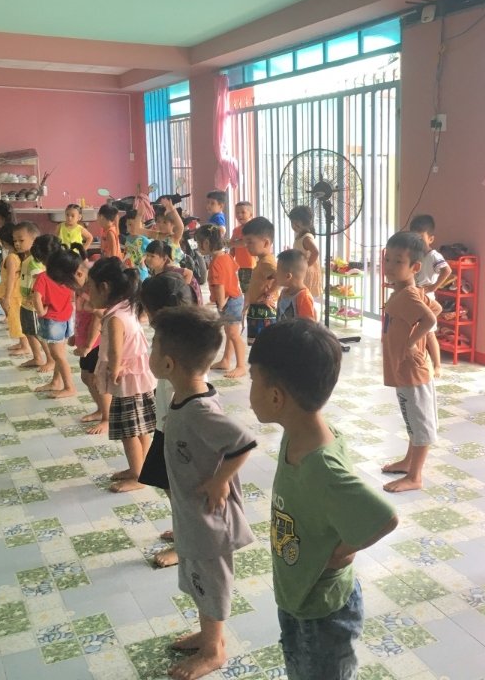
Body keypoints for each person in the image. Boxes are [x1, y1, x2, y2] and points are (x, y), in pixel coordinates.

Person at [247, 319, 398, 680]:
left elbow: (385, 517)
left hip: (324, 611)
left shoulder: (320, 465)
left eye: (252, 379)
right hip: (299, 594)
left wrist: (342, 551)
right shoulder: (298, 433)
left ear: (276, 397)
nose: (249, 389)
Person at [149, 305, 257, 678]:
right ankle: (207, 635)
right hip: (193, 514)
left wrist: (220, 480)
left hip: (210, 519)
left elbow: (244, 441)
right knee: (199, 581)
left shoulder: (199, 411)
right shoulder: (186, 397)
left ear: (168, 363)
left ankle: (214, 649)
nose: (149, 353)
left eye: (153, 347)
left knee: (211, 583)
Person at [137, 272, 196, 570]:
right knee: (171, 488)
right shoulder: (177, 335)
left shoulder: (180, 343)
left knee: (180, 491)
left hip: (178, 428)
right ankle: (183, 529)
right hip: (167, 425)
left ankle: (187, 544)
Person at [87, 257, 157, 493]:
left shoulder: (115, 318)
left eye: (90, 288)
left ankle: (138, 476)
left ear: (104, 288)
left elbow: (116, 350)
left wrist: (112, 371)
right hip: (139, 378)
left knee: (129, 432)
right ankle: (142, 468)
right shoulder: (127, 307)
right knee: (141, 429)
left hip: (127, 380)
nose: (88, 293)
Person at [379, 231, 441, 493]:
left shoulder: (408, 295)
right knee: (412, 418)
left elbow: (430, 319)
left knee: (420, 422)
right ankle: (408, 462)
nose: (390, 266)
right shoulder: (405, 291)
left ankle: (415, 476)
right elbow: (435, 308)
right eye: (388, 259)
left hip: (413, 370)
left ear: (415, 267)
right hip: (405, 368)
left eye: (398, 261)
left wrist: (410, 343)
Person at [34, 246, 85, 399]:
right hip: (67, 317)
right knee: (60, 354)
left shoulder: (43, 277)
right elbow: (72, 296)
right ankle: (56, 382)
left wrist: (41, 311)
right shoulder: (70, 278)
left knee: (58, 355)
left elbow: (36, 297)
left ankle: (69, 387)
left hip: (53, 321)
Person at [197, 225, 247, 378]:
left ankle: (241, 366)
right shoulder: (226, 256)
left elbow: (220, 285)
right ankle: (226, 360)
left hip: (229, 302)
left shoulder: (216, 262)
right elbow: (233, 272)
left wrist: (221, 303)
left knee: (233, 334)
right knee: (229, 332)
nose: (198, 247)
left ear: (206, 243)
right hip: (234, 298)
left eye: (199, 243)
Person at [409, 214, 451, 379]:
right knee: (415, 331)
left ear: (431, 238)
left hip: (427, 298)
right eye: (415, 238)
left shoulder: (434, 256)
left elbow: (447, 270)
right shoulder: (415, 254)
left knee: (429, 333)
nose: (418, 241)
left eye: (421, 238)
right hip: (415, 296)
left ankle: (438, 365)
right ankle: (417, 360)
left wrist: (433, 287)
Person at [70, 253, 107, 435]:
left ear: (80, 274)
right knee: (86, 377)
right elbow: (80, 316)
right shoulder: (79, 290)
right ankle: (100, 409)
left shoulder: (92, 292)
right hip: (84, 340)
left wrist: (89, 344)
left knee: (97, 380)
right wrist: (75, 336)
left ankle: (107, 417)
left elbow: (96, 320)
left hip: (96, 343)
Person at [13, 223, 52, 372]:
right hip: (26, 303)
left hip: (33, 304)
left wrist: (36, 295)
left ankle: (51, 359)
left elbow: (40, 279)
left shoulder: (33, 261)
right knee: (28, 331)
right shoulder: (27, 258)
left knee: (38, 333)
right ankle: (37, 357)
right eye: (15, 240)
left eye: (21, 240)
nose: (17, 243)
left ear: (34, 240)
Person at [241, 217, 278, 343]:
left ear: (266, 243)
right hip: (257, 310)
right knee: (258, 345)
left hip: (264, 312)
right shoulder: (262, 261)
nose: (246, 246)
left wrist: (269, 294)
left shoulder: (267, 262)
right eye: (245, 242)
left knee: (264, 346)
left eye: (250, 242)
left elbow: (279, 278)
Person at [0, 223, 27, 355]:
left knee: (16, 319)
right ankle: (22, 343)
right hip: (15, 293)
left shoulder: (11, 258)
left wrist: (7, 297)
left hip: (13, 294)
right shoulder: (15, 256)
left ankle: (25, 346)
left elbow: (11, 279)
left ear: (4, 241)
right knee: (15, 318)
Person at [144, 239, 201, 304]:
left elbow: (189, 273)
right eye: (147, 255)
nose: (148, 258)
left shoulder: (170, 270)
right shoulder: (154, 271)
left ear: (164, 258)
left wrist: (182, 291)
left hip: (190, 296)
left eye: (152, 256)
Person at [287, 205, 322, 301]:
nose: (293, 226)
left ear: (305, 223)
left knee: (305, 298)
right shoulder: (299, 236)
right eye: (292, 222)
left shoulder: (306, 238)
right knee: (301, 297)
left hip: (306, 272)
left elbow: (315, 252)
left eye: (296, 223)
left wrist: (306, 266)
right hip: (300, 270)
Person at [275, 249, 316, 322]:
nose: (275, 274)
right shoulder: (284, 292)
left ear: (288, 276)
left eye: (277, 271)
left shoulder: (304, 297)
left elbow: (308, 325)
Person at [230, 200, 256, 294]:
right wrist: (230, 259)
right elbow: (232, 247)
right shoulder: (236, 230)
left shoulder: (252, 228)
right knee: (244, 288)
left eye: (243, 212)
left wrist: (231, 244)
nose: (239, 215)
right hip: (240, 265)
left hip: (251, 265)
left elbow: (244, 243)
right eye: (237, 212)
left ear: (250, 214)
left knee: (251, 288)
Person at [122, 208, 150, 281]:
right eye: (130, 224)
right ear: (126, 225)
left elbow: (151, 251)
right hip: (129, 268)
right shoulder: (127, 238)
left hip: (140, 270)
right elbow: (127, 251)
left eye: (136, 225)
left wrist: (143, 258)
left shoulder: (144, 239)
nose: (133, 228)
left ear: (142, 225)